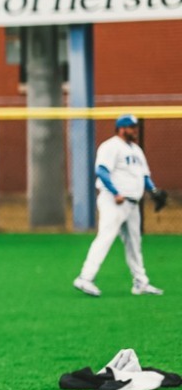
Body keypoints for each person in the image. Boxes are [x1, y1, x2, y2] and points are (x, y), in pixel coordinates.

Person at [74, 114, 164, 297]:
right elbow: (101, 170)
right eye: (132, 127)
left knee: (134, 244)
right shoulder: (110, 146)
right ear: (121, 129)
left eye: (135, 127)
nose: (135, 130)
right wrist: (115, 192)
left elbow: (144, 175)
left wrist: (153, 191)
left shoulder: (136, 150)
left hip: (132, 203)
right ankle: (85, 278)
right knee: (105, 237)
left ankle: (141, 283)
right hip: (114, 201)